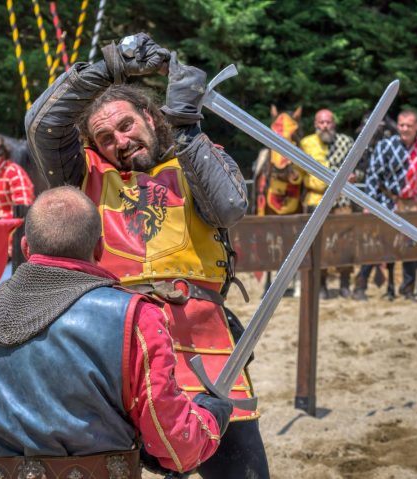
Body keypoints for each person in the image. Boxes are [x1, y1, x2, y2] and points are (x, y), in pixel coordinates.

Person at [25, 33, 269, 478]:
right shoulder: (84, 176)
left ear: (151, 119)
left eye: (126, 125)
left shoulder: (197, 160)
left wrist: (186, 125)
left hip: (203, 345)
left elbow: (229, 207)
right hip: (117, 344)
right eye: (105, 137)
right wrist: (110, 66)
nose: (119, 140)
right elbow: (42, 125)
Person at [0, 186, 232, 479]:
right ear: (100, 249)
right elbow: (176, 444)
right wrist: (210, 417)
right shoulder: (134, 315)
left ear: (25, 248)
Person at [352, 109, 417, 301]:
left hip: (410, 203)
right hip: (386, 201)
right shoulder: (385, 146)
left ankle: (407, 289)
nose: (404, 129)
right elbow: (373, 176)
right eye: (401, 125)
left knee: (410, 246)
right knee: (378, 244)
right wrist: (369, 203)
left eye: (409, 125)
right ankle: (360, 286)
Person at [299, 109, 357, 299]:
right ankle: (321, 284)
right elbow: (298, 174)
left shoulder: (346, 142)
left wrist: (355, 176)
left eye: (328, 122)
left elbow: (361, 168)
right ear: (315, 124)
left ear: (334, 124)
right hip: (316, 199)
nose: (325, 126)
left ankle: (344, 284)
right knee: (318, 244)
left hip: (342, 199)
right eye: (321, 122)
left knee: (345, 242)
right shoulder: (306, 143)